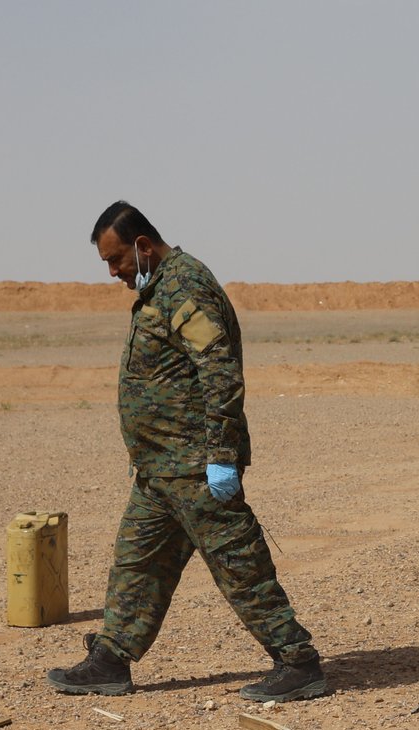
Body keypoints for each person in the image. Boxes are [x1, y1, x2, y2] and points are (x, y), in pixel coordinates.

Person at [47, 201, 328, 702]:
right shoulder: (157, 288)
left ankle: (298, 661)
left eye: (117, 261)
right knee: (137, 562)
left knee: (239, 565)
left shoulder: (185, 286)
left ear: (144, 246)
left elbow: (219, 371)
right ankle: (111, 659)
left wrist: (220, 454)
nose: (113, 272)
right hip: (159, 469)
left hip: (194, 465)